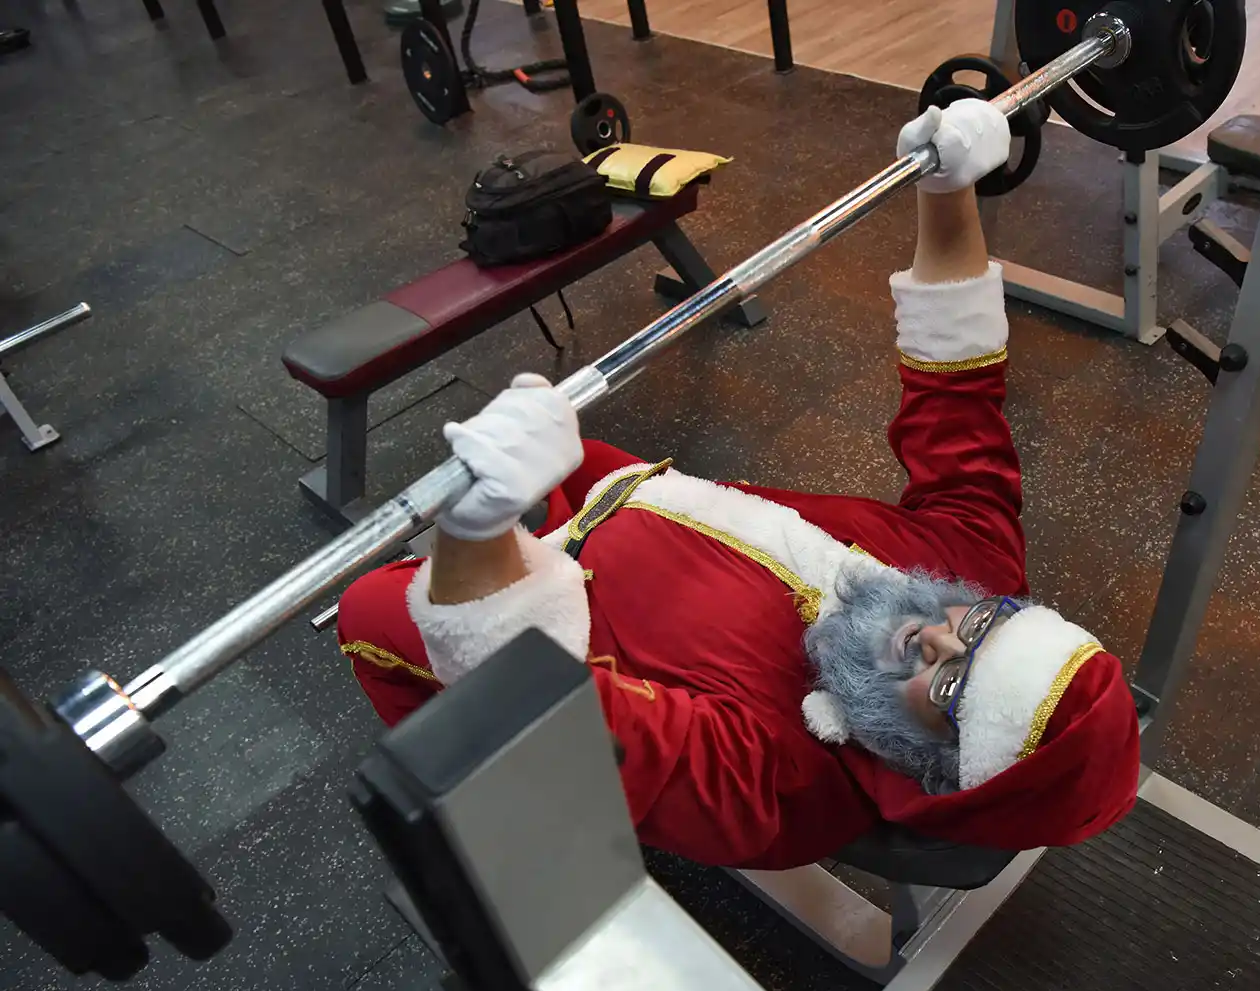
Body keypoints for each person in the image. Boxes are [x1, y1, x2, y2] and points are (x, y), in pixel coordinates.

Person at [336, 100, 1141, 870]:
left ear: (937, 765)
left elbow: (564, 715)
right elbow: (957, 381)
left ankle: (487, 797)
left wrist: (475, 532)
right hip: (636, 497)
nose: (936, 633)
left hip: (563, 636)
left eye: (953, 681)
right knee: (542, 449)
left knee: (371, 605)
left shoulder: (774, 789)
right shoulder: (968, 566)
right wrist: (948, 186)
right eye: (985, 625)